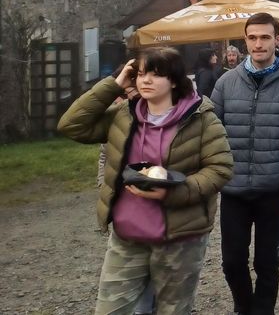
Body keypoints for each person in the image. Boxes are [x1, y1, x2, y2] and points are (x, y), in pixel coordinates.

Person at [58, 48, 233, 314]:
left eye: (156, 74)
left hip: (180, 238)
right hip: (128, 234)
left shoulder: (202, 119)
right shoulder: (123, 115)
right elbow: (71, 125)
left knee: (173, 310)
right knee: (109, 309)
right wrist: (114, 84)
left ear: (174, 80)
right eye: (140, 74)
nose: (146, 80)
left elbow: (220, 169)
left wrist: (172, 193)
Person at [212, 12, 279, 315]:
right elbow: (211, 135)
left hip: (273, 187)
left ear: (277, 40)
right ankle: (244, 308)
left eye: (265, 37)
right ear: (245, 40)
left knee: (266, 262)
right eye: (253, 37)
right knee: (232, 262)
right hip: (233, 189)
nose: (258, 44)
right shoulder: (225, 83)